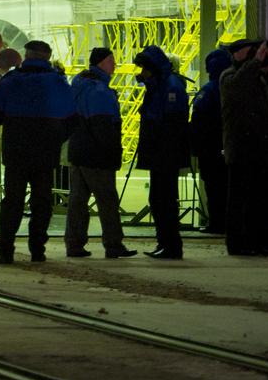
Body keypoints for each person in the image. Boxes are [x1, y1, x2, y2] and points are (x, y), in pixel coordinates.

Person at [0, 40, 75, 264]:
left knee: (13, 200)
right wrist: (57, 136)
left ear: (26, 56)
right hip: (46, 150)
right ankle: (37, 249)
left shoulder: (11, 80)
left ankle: (6, 249)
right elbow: (73, 116)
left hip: (16, 149)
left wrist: (12, 126)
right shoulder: (57, 82)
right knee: (42, 200)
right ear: (47, 57)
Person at [64, 47, 136, 259]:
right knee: (107, 200)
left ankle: (74, 243)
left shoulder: (77, 85)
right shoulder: (99, 91)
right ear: (102, 63)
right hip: (96, 154)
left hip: (78, 151)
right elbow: (103, 127)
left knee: (78, 200)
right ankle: (113, 244)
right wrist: (114, 153)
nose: (114, 64)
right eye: (111, 60)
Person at [220, 39, 268, 256]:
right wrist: (256, 62)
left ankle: (257, 240)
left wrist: (266, 63)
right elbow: (240, 85)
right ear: (238, 54)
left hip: (259, 150)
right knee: (239, 201)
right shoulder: (229, 76)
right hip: (241, 150)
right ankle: (237, 243)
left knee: (258, 199)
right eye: (250, 52)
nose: (254, 56)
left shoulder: (256, 78)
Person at [134, 45, 190, 259]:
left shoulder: (169, 86)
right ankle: (165, 242)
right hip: (161, 153)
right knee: (159, 198)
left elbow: (170, 123)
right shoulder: (161, 85)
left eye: (144, 69)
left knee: (164, 199)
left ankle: (170, 244)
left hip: (165, 153)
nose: (141, 74)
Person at [190, 47, 232, 235]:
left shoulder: (207, 91)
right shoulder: (232, 87)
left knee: (214, 187)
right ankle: (225, 222)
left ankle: (216, 223)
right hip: (227, 146)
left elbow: (198, 121)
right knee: (226, 186)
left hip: (210, 148)